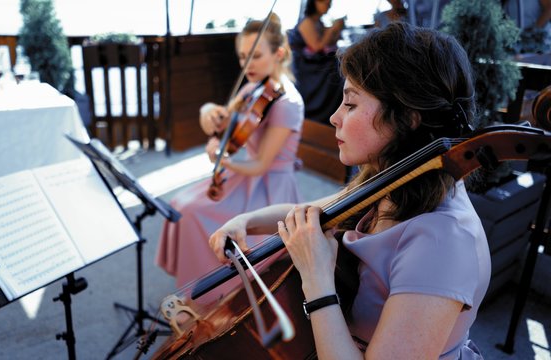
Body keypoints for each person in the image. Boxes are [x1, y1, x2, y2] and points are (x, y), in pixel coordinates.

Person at [209, 22, 490, 359]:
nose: (334, 117)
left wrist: (317, 279)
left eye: (351, 104)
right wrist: (246, 220)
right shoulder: (390, 182)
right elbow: (312, 212)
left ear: (408, 117)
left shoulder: (442, 242)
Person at [156, 13, 305, 300]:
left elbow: (261, 163)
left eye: (255, 56)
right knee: (179, 204)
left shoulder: (287, 103)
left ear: (279, 53)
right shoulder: (253, 88)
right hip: (242, 174)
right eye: (242, 57)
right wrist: (207, 113)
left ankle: (211, 293)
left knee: (189, 210)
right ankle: (198, 283)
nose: (246, 65)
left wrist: (222, 159)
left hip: (268, 186)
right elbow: (223, 124)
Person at [288, 0, 344, 124]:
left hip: (315, 64)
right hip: (306, 68)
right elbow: (316, 46)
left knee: (338, 66)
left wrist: (337, 30)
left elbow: (329, 43)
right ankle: (319, 116)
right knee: (336, 72)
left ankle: (332, 113)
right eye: (324, 1)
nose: (328, 4)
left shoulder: (318, 22)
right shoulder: (306, 21)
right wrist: (331, 30)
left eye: (329, 2)